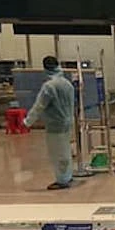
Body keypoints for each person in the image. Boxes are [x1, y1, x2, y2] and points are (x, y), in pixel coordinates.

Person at [24, 56, 76, 190]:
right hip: (67, 123)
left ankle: (62, 180)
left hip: (55, 125)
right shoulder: (67, 84)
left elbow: (39, 106)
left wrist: (27, 122)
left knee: (57, 153)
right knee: (65, 151)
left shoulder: (49, 86)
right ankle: (67, 175)